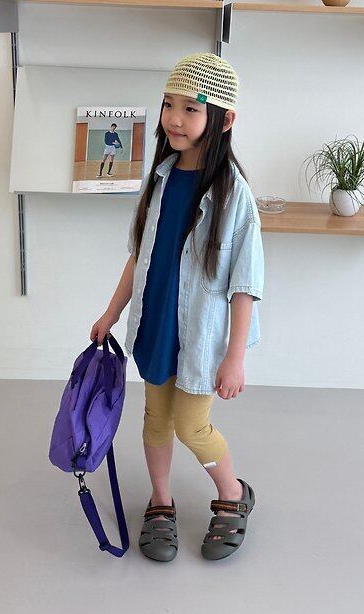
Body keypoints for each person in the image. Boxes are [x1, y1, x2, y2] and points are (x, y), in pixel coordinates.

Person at [90, 52, 264, 562]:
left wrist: (235, 357)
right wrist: (110, 314)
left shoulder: (235, 196)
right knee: (155, 420)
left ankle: (233, 493)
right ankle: (161, 501)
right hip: (155, 327)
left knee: (192, 426)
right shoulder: (160, 179)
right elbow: (138, 256)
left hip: (200, 336)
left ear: (224, 120)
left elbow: (245, 285)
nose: (175, 119)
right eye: (169, 104)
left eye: (191, 108)